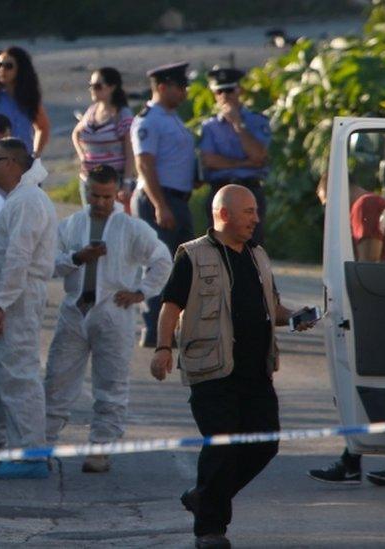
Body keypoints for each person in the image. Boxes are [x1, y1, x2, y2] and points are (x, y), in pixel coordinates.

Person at [150, 184, 313, 549]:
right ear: (223, 214)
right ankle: (210, 530)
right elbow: (170, 306)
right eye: (248, 212)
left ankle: (204, 497)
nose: (256, 219)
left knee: (264, 443)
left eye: (256, 211)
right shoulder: (193, 255)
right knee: (221, 447)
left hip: (256, 372)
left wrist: (295, 318)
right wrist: (163, 348)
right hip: (213, 371)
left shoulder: (259, 256)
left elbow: (274, 308)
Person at [44, 165, 172, 473]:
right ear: (85, 191)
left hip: (114, 312)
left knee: (111, 383)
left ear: (116, 194)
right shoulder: (72, 225)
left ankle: (100, 448)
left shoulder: (131, 228)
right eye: (94, 195)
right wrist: (77, 258)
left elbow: (162, 259)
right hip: (75, 310)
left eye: (106, 196)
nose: (100, 202)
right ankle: (42, 444)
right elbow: (48, 263)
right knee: (57, 380)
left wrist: (141, 291)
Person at [308, 172, 385, 486]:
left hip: (379, 307)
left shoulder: (363, 206)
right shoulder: (375, 202)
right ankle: (369, 461)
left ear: (333, 187)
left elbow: (366, 265)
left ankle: (364, 462)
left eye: (328, 202)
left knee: (364, 381)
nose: (330, 210)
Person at [0, 138, 57, 479]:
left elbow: (19, 256)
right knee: (0, 375)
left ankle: (31, 454)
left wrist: (1, 303)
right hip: (12, 298)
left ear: (12, 164)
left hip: (16, 299)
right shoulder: (20, 199)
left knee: (19, 375)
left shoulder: (28, 201)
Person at [131, 61, 197, 348]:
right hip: (159, 198)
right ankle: (155, 329)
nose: (185, 92)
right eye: (180, 87)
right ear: (162, 87)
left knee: (182, 266)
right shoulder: (148, 120)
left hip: (177, 198)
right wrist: (160, 205)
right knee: (160, 264)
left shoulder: (171, 118)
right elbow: (145, 164)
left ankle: (174, 326)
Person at [200, 67, 271, 245]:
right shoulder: (210, 126)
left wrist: (238, 125)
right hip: (220, 189)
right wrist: (244, 162)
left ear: (239, 90)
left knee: (251, 246)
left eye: (229, 90)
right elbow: (209, 161)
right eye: (219, 91)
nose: (225, 95)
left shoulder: (257, 121)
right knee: (219, 246)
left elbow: (259, 157)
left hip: (249, 189)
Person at [73, 68, 136, 209]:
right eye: (91, 86)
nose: (92, 90)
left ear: (112, 87)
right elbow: (76, 133)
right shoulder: (92, 111)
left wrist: (126, 183)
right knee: (91, 222)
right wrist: (82, 155)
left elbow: (130, 152)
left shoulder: (122, 114)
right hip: (89, 180)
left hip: (113, 182)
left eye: (97, 86)